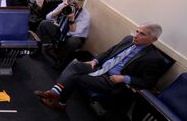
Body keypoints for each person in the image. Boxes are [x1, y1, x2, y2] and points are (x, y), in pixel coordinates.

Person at [34, 23, 166, 111]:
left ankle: (59, 101)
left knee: (76, 77)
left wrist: (124, 78)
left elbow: (149, 82)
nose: (136, 35)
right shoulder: (128, 39)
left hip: (111, 81)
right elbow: (109, 52)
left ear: (153, 39)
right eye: (137, 31)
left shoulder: (154, 58)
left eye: (142, 34)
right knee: (76, 65)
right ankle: (55, 93)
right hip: (100, 68)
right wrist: (95, 60)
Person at [37, 0, 91, 69]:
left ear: (80, 5)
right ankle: (39, 48)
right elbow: (48, 17)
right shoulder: (65, 5)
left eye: (74, 5)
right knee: (44, 23)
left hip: (73, 36)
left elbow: (74, 32)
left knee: (73, 42)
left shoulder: (85, 16)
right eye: (70, 4)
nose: (71, 6)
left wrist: (71, 19)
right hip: (60, 30)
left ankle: (62, 62)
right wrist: (59, 11)